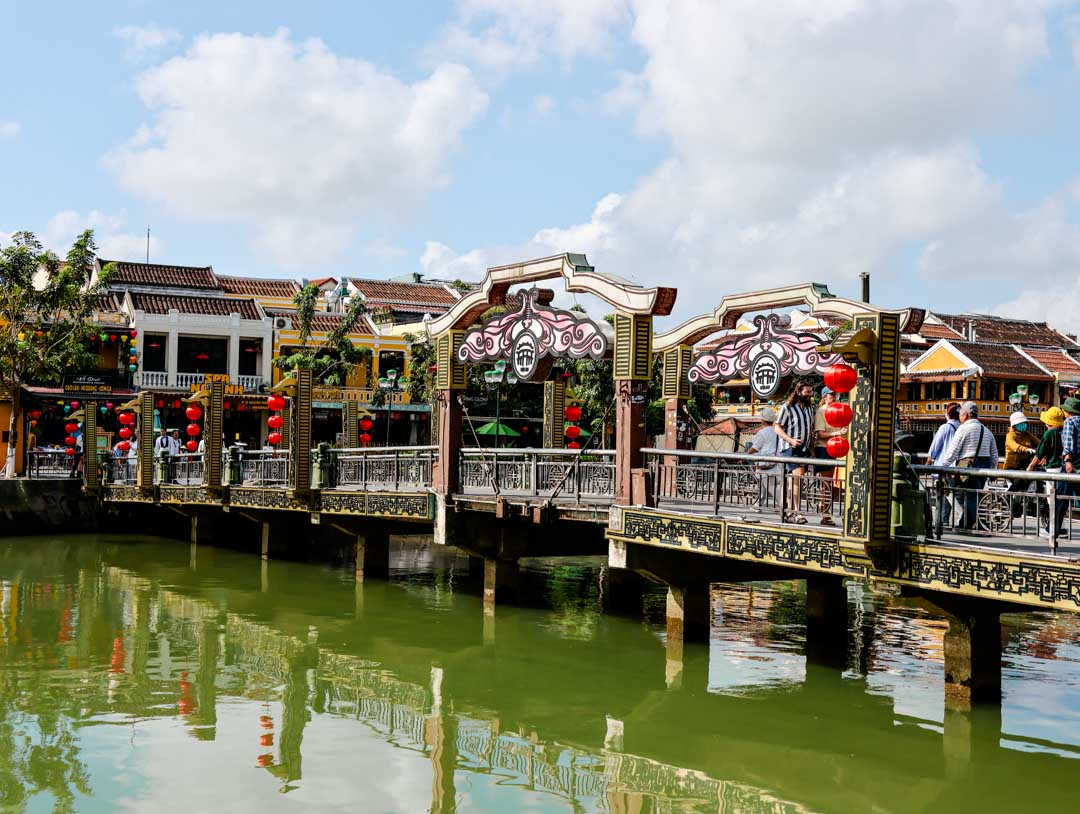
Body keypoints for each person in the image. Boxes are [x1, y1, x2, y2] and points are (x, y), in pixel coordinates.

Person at [938, 401, 998, 530]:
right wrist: (994, 471)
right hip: (985, 466)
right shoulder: (986, 430)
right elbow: (994, 454)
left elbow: (952, 451)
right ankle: (964, 525)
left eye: (961, 414)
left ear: (965, 415)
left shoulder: (963, 429)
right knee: (975, 494)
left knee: (970, 496)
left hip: (968, 466)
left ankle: (983, 524)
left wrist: (943, 467)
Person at [774, 382, 815, 524]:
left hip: (804, 449)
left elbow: (810, 429)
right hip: (790, 448)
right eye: (807, 392)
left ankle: (789, 511)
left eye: (811, 392)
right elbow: (777, 428)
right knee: (798, 477)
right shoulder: (788, 407)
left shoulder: (810, 409)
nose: (810, 395)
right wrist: (790, 440)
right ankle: (797, 512)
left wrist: (811, 448)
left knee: (795, 481)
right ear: (799, 392)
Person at [1029, 406, 1064, 537]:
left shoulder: (1049, 433)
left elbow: (1040, 452)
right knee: (1061, 499)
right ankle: (1060, 527)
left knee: (1052, 499)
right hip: (1063, 468)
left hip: (1053, 468)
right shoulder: (1062, 431)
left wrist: (1031, 466)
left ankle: (1053, 530)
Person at [812, 387, 846, 525]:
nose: (834, 396)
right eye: (832, 394)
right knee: (827, 483)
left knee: (838, 484)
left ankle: (827, 509)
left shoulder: (840, 409)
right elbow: (820, 434)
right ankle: (825, 514)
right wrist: (836, 433)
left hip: (839, 448)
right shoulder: (821, 412)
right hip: (825, 448)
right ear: (825, 396)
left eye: (835, 394)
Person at [926, 402, 961, 529]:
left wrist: (928, 462)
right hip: (957, 467)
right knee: (950, 494)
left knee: (942, 494)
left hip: (943, 466)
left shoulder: (945, 428)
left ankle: (940, 521)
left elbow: (935, 447)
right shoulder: (962, 427)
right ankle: (945, 519)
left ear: (947, 413)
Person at [1005, 411, 1040, 517]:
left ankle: (1030, 503)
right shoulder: (1010, 435)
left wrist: (1042, 448)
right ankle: (1006, 497)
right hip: (1012, 466)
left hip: (1024, 465)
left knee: (1033, 477)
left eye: (1024, 424)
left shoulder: (1027, 434)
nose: (1023, 426)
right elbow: (1013, 445)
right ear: (1014, 425)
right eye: (1020, 424)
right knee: (1019, 481)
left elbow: (1039, 442)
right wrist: (1025, 449)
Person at [1057, 397, 1080, 538]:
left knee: (1061, 497)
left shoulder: (1069, 422)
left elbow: (1068, 443)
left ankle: (1053, 529)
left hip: (1071, 462)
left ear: (1067, 411)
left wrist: (1068, 461)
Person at [748, 406, 780, 505]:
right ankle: (759, 504)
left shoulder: (762, 433)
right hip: (776, 461)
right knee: (762, 484)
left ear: (762, 420)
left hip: (765, 463)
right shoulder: (777, 431)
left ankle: (783, 504)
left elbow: (755, 448)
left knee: (769, 485)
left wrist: (746, 454)